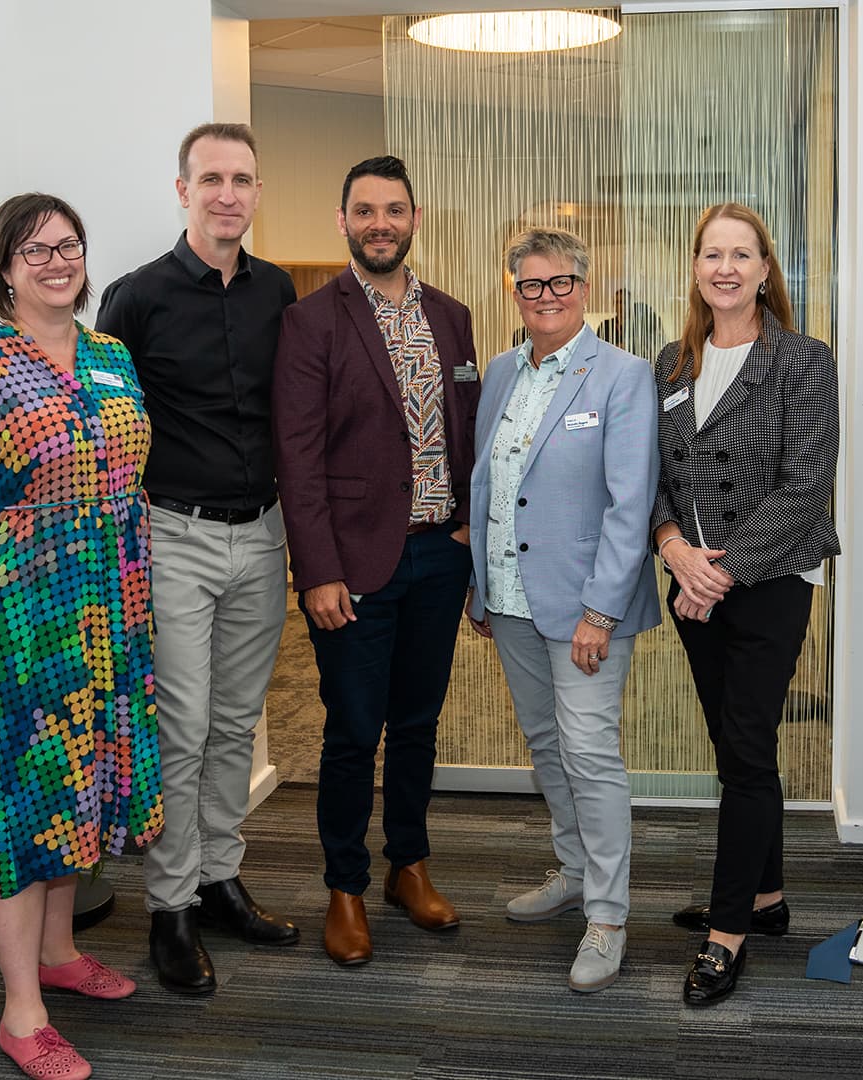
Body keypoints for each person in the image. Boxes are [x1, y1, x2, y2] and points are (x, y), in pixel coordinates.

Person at [0, 194, 161, 1080]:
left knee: (72, 786)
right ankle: (22, 1013)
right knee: (13, 808)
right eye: (35, 250)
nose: (57, 262)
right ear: (4, 268)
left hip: (100, 617)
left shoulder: (112, 357)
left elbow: (125, 475)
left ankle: (58, 955)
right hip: (5, 629)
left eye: (70, 246)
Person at [95, 122, 300, 996]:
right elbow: (103, 430)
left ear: (257, 193)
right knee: (180, 727)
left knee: (235, 721)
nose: (228, 194)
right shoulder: (134, 299)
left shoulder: (281, 291)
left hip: (263, 534)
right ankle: (170, 908)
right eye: (211, 177)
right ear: (183, 190)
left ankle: (220, 878)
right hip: (171, 536)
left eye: (242, 179)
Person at [272, 155, 482, 967]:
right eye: (365, 211)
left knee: (419, 724)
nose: (380, 223)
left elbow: (467, 429)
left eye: (394, 209)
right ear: (344, 221)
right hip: (354, 568)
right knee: (354, 731)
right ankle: (346, 886)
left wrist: (467, 530)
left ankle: (410, 866)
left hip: (439, 556)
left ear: (415, 217)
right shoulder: (311, 321)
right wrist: (317, 570)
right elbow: (298, 454)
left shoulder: (453, 316)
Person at [650, 202, 841, 1006]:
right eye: (711, 254)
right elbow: (650, 477)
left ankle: (725, 933)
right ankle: (765, 900)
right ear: (694, 268)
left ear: (767, 269)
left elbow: (807, 484)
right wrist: (673, 550)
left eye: (742, 254)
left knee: (750, 748)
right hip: (691, 580)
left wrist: (719, 574)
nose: (725, 268)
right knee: (733, 746)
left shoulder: (803, 359)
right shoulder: (669, 363)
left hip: (769, 583)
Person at [467, 227, 659, 993]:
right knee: (547, 746)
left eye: (561, 283)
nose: (546, 297)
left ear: (585, 286)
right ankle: (576, 871)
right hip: (511, 598)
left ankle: (609, 915)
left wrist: (602, 612)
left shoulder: (621, 374)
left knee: (590, 754)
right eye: (530, 285)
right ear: (512, 291)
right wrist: (480, 585)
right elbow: (489, 484)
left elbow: (629, 503)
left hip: (586, 607)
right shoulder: (500, 371)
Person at [597, 287, 667, 361]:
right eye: (617, 302)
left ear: (631, 303)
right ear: (614, 304)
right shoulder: (605, 326)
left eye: (624, 302)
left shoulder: (640, 327)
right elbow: (599, 349)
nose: (621, 305)